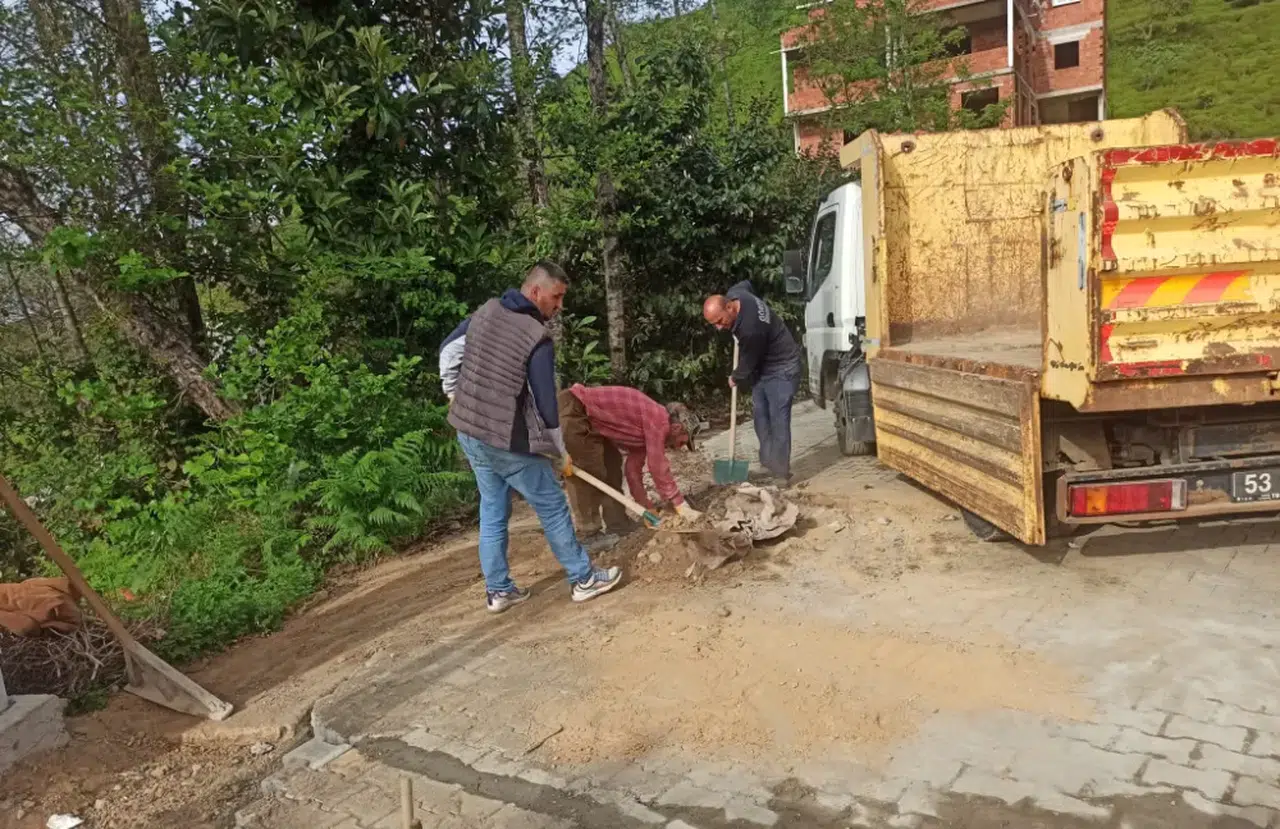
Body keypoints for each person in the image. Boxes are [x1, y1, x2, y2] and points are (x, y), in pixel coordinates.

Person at [439, 261, 622, 613]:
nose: (559, 306)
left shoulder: (486, 311)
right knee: (553, 505)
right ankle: (583, 579)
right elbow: (545, 403)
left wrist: (453, 393)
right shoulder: (536, 336)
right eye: (557, 297)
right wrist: (560, 451)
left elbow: (449, 350)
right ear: (536, 292)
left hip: (468, 430)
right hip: (501, 438)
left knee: (493, 509)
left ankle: (499, 591)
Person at [558, 384, 703, 548]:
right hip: (575, 409)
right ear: (676, 428)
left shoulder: (645, 431)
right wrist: (680, 505)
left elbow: (633, 472)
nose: (679, 447)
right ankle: (589, 534)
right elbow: (658, 467)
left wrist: (646, 507)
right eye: (683, 442)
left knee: (612, 467)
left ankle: (618, 524)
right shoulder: (659, 420)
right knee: (587, 470)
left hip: (593, 421)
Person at [702, 280, 803, 484]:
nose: (720, 328)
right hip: (764, 368)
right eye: (715, 324)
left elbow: (748, 362)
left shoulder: (751, 329)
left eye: (720, 321)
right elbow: (748, 283)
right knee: (760, 418)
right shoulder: (737, 293)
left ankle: (781, 473)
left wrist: (735, 377)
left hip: (782, 366)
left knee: (778, 420)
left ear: (730, 307)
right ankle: (770, 464)